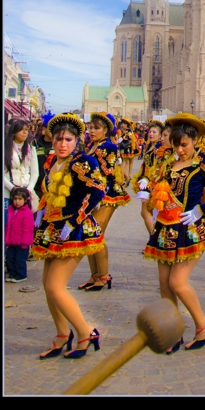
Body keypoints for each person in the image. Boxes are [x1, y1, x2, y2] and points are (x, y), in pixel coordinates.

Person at [144, 113, 205, 351]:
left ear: (194, 142)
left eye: (184, 145)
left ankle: (202, 324)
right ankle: (174, 329)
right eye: (176, 144)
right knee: (164, 283)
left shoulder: (204, 165)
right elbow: (157, 186)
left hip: (191, 229)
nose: (180, 149)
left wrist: (200, 210)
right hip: (165, 229)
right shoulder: (167, 163)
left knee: (177, 282)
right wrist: (147, 190)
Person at [32, 114, 106, 359]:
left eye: (68, 139)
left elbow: (97, 191)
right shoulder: (51, 162)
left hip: (74, 230)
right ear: (51, 140)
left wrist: (75, 219)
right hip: (51, 229)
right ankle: (62, 334)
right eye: (58, 139)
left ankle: (86, 331)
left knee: (55, 286)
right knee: (47, 286)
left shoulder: (82, 162)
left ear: (77, 141)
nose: (63, 144)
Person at [76, 112, 130, 291]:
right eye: (90, 127)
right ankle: (95, 275)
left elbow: (106, 173)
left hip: (106, 195)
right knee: (88, 234)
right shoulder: (90, 146)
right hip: (91, 195)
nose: (92, 131)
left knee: (96, 233)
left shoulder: (108, 147)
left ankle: (104, 275)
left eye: (96, 128)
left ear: (105, 130)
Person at [132, 120, 164, 233]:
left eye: (154, 132)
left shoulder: (158, 149)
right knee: (149, 212)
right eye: (150, 131)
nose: (151, 134)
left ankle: (154, 239)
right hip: (146, 181)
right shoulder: (150, 146)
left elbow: (157, 167)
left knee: (146, 212)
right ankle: (154, 239)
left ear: (160, 136)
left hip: (152, 183)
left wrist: (148, 180)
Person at [4, 118, 39, 220]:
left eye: (26, 130)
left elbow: (35, 172)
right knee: (8, 222)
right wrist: (12, 188)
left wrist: (28, 189)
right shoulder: (6, 148)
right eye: (21, 130)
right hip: (8, 190)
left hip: (26, 191)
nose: (25, 133)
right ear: (14, 132)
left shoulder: (31, 149)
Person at [5, 187, 35, 283]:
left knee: (19, 260)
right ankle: (13, 274)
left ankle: (21, 275)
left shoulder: (27, 212)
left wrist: (26, 243)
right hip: (11, 241)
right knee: (10, 258)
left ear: (25, 200)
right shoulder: (10, 210)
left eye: (20, 199)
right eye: (15, 199)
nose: (17, 202)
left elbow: (28, 229)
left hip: (22, 243)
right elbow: (8, 226)